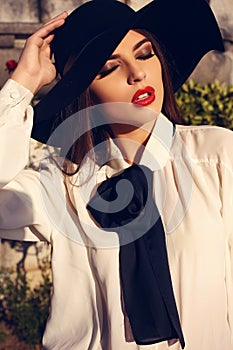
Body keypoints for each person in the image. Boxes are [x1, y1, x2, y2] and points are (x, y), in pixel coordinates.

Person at [0, 0, 232, 349]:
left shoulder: (215, 156)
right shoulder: (61, 186)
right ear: (84, 93)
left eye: (145, 54)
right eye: (109, 68)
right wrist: (23, 83)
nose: (137, 74)